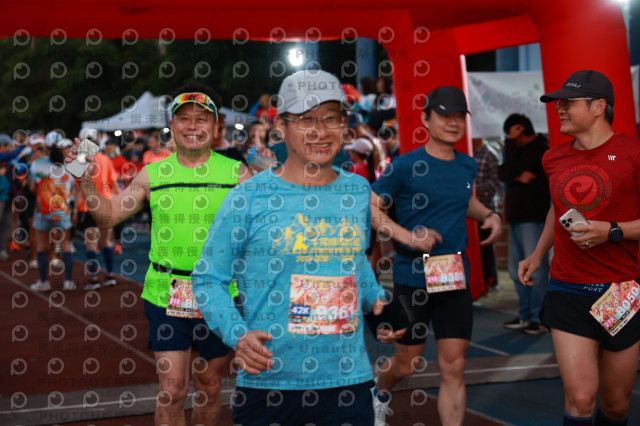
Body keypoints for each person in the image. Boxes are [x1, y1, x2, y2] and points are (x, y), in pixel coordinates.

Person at [192, 70, 404, 426]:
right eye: (307, 120)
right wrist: (237, 335)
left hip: (348, 382)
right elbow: (208, 278)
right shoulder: (247, 197)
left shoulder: (356, 191)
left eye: (331, 119)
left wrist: (375, 299)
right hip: (270, 383)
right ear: (281, 127)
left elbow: (354, 261)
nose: (321, 131)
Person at [68, 82, 251, 426]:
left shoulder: (239, 175)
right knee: (172, 390)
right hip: (165, 294)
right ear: (172, 125)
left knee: (210, 386)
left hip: (219, 296)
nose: (193, 126)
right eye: (184, 119)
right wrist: (84, 180)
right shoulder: (152, 174)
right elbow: (108, 216)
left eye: (202, 119)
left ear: (216, 127)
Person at [369, 86, 502, 426]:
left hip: (453, 277)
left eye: (459, 116)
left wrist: (489, 215)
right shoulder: (403, 166)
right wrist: (407, 236)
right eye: (445, 116)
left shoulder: (467, 165)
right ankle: (379, 391)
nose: (453, 123)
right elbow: (371, 209)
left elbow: (462, 200)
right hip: (412, 278)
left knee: (454, 365)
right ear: (426, 120)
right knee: (408, 364)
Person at [519, 70, 640, 426]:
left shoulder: (633, 153)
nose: (560, 109)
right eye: (558, 104)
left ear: (598, 106)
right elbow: (557, 208)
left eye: (568, 102)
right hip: (567, 289)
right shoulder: (552, 158)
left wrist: (612, 231)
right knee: (580, 398)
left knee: (615, 405)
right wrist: (537, 254)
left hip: (621, 291)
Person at [498, 114, 551, 333]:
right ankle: (525, 314)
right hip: (516, 217)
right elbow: (503, 171)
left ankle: (539, 317)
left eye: (511, 135)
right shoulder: (516, 152)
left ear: (520, 129)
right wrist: (517, 176)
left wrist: (511, 149)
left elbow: (511, 169)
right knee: (515, 270)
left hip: (534, 217)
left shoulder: (540, 149)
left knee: (536, 270)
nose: (510, 140)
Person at [29, 140, 76, 291]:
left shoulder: (38, 165)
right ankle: (68, 281)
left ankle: (44, 282)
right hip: (62, 211)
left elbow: (32, 187)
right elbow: (73, 189)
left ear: (48, 150)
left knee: (42, 246)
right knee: (65, 245)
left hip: (43, 210)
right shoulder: (70, 166)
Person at [472, 138, 500, 292]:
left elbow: (494, 183)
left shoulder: (489, 155)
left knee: (485, 248)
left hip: (484, 208)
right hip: (468, 210)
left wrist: (472, 190)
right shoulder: (466, 154)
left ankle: (488, 281)